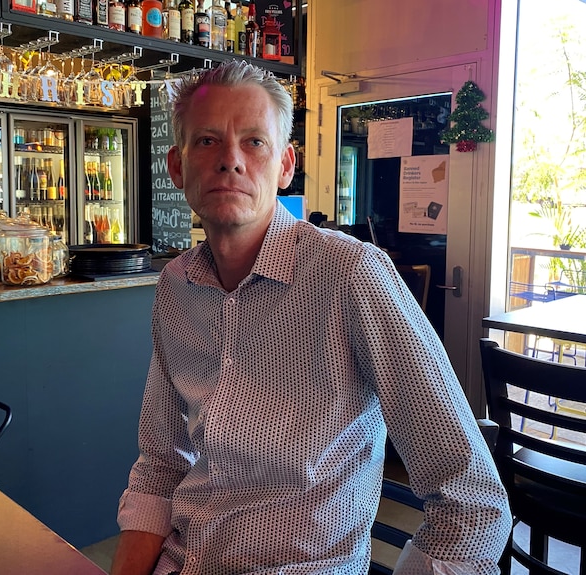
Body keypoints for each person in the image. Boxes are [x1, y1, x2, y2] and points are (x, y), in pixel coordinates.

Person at [111, 60, 511, 575]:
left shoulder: (350, 275)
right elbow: (160, 468)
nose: (230, 160)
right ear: (176, 166)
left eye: (254, 142)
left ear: (284, 165)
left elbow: (472, 502)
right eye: (207, 141)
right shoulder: (176, 287)